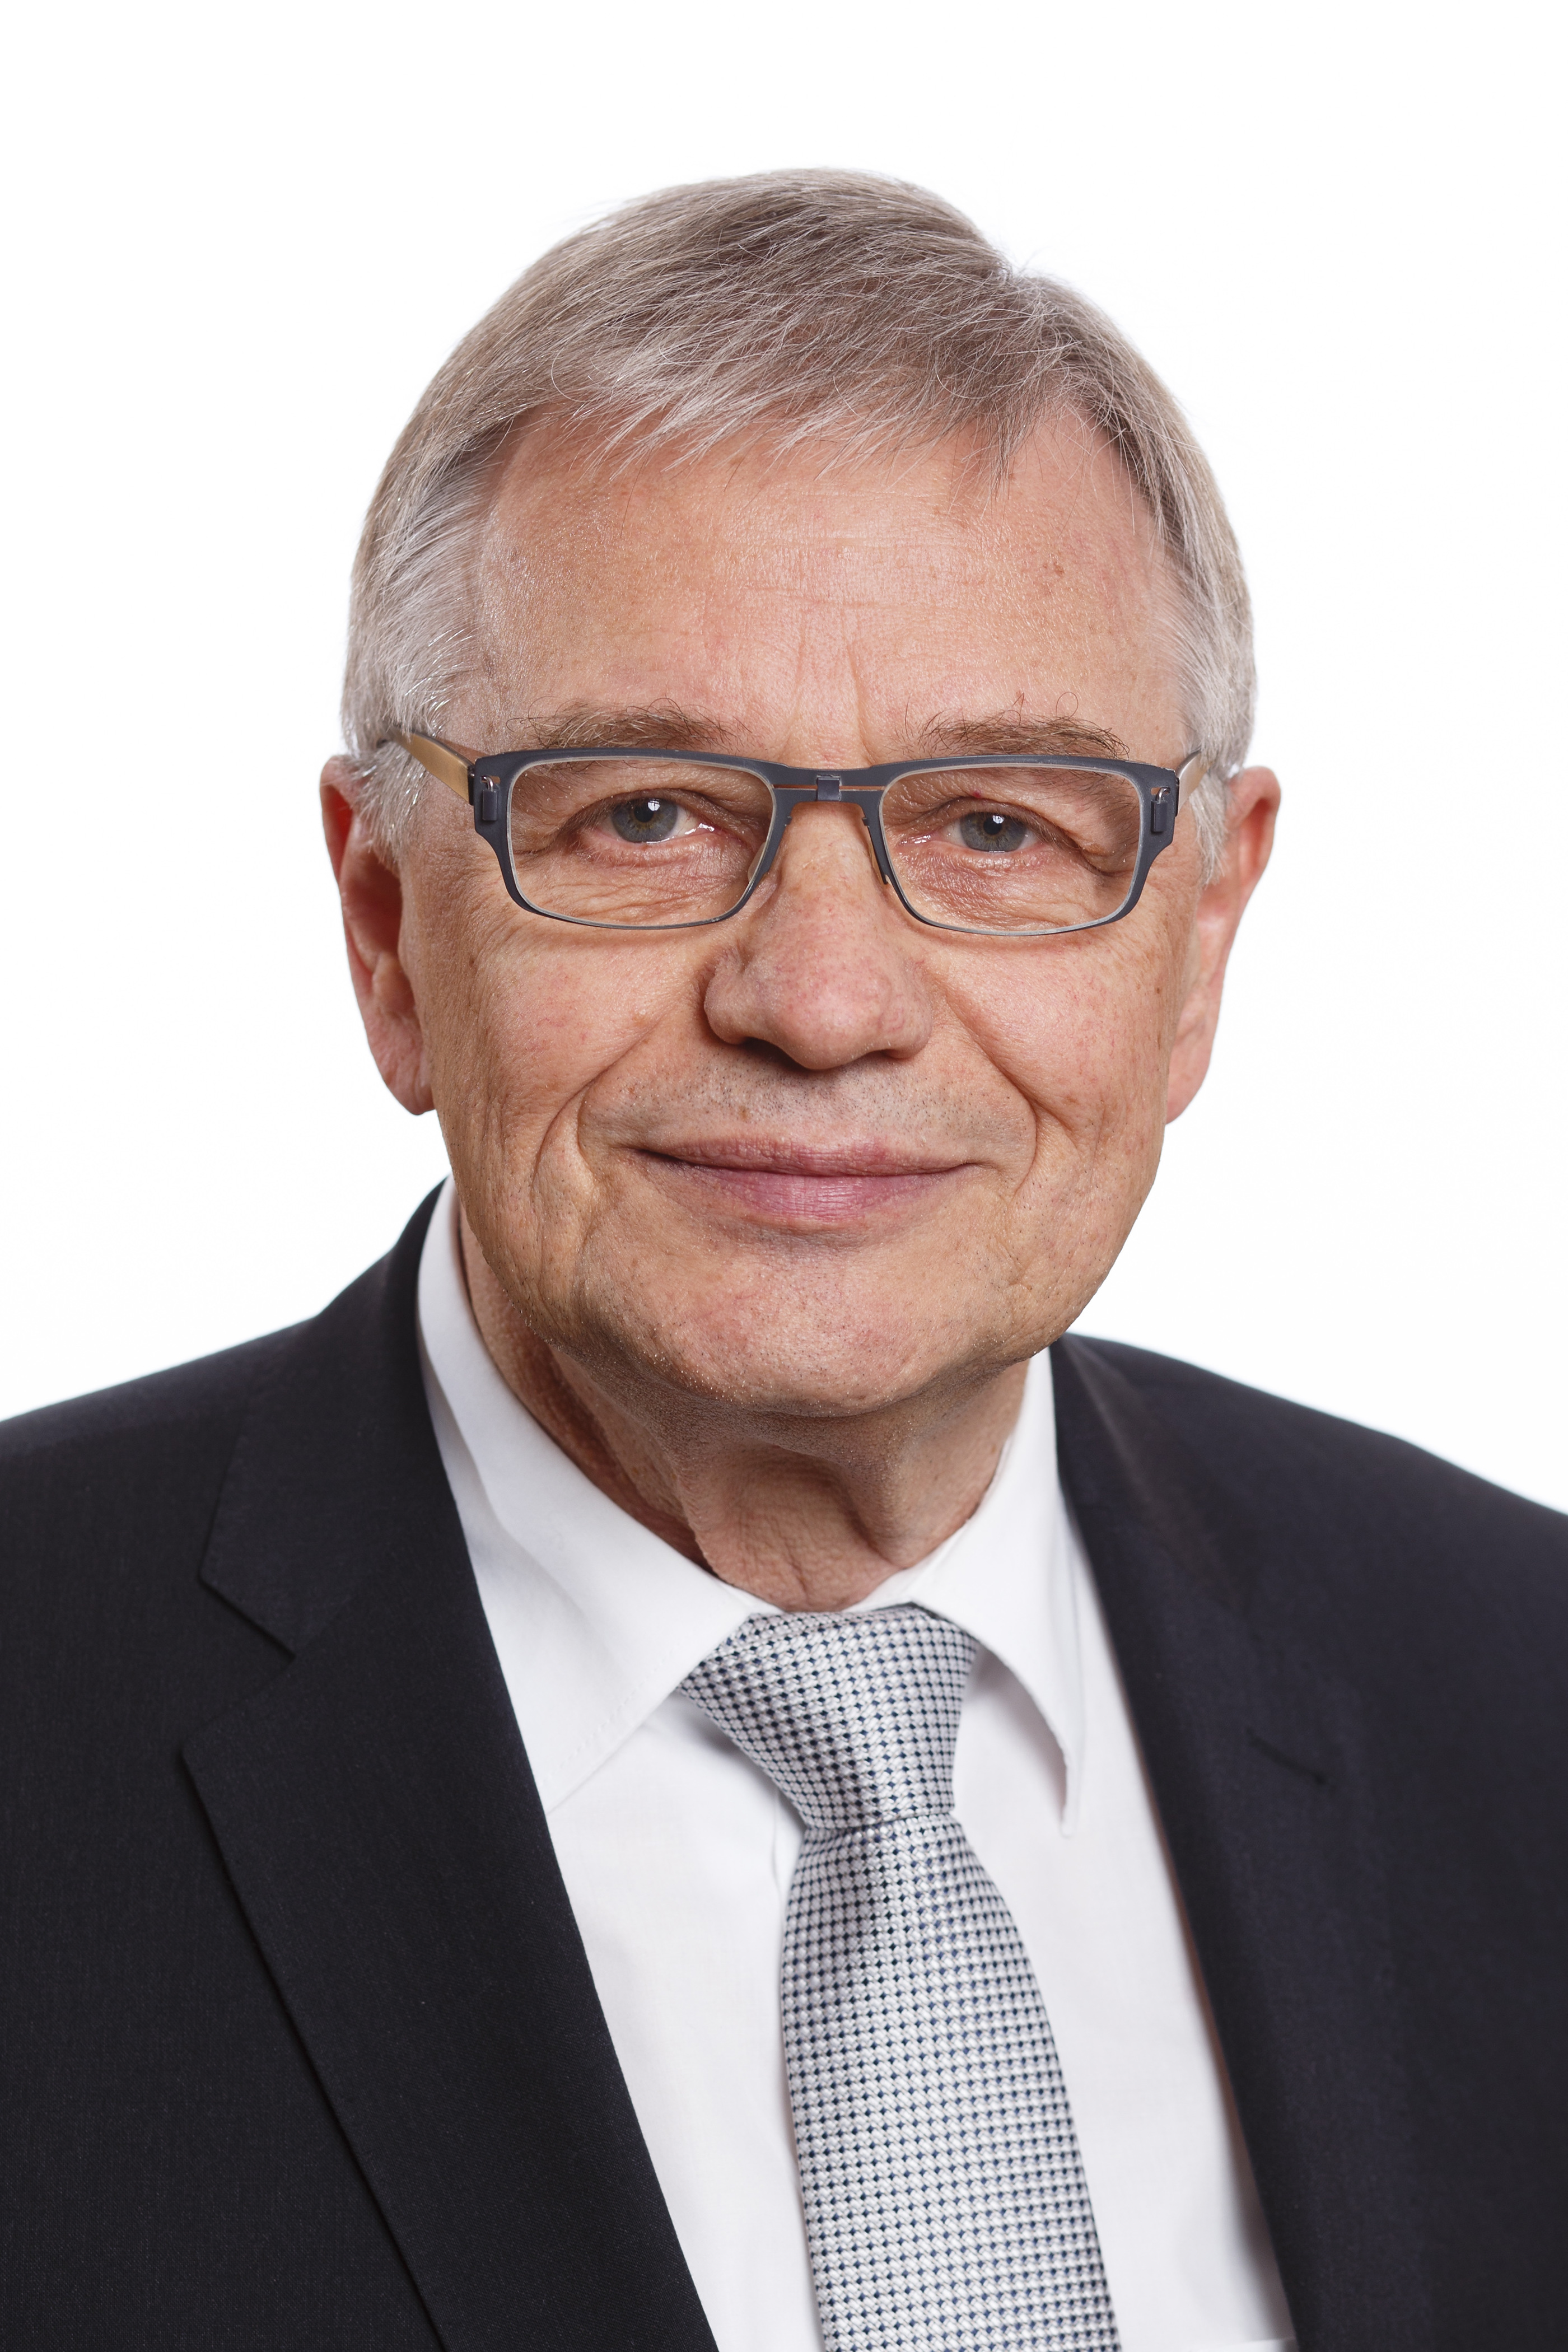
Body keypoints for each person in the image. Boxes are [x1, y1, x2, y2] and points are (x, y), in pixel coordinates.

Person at [1, 171, 1563, 2352]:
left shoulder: (1520, 1685)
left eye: (998, 825)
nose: (823, 1003)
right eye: (643, 815)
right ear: (386, 927)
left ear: (1202, 937)